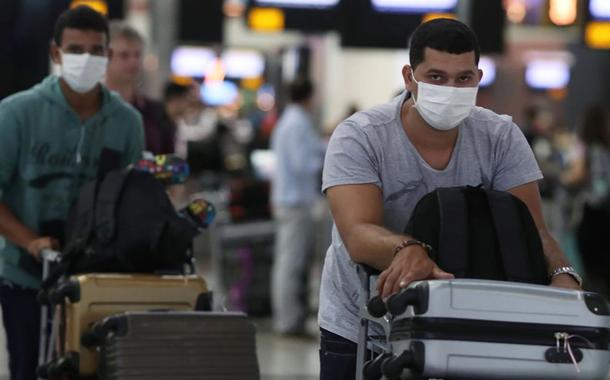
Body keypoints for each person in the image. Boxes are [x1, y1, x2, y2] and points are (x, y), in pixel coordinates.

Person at [318, 18, 580, 379]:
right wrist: (408, 249)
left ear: (478, 78)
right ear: (410, 77)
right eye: (436, 77)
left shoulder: (499, 137)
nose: (451, 88)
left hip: (466, 327)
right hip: (363, 325)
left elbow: (533, 229)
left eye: (463, 78)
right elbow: (358, 233)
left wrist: (562, 276)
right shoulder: (361, 136)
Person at [0, 7, 144, 380]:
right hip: (27, 279)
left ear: (108, 56)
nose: (86, 60)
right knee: (30, 367)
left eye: (96, 51)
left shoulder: (127, 123)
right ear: (55, 54)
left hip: (97, 282)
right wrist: (30, 241)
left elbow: (131, 198)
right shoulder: (16, 114)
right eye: (75, 50)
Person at [270, 78, 325, 336]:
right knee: (290, 264)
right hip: (294, 202)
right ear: (309, 96)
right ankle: (287, 322)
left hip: (293, 201)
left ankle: (291, 318)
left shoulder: (293, 120)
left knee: (292, 263)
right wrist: (326, 157)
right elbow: (303, 164)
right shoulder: (297, 123)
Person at [105, 23, 175, 155]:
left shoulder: (156, 113)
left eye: (137, 55)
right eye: (124, 55)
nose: (133, 62)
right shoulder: (92, 110)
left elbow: (167, 161)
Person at [576, 104, 610, 296]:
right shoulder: (601, 149)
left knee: (595, 272)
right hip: (600, 216)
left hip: (594, 216)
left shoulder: (591, 149)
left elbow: (598, 190)